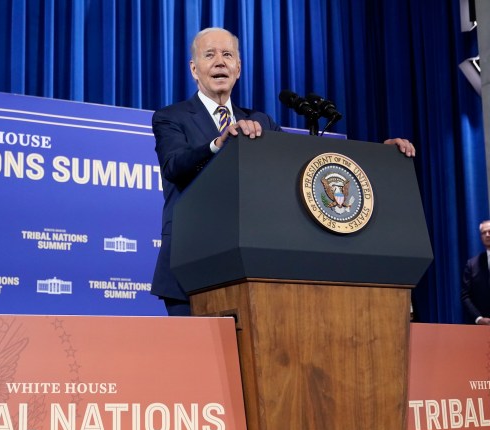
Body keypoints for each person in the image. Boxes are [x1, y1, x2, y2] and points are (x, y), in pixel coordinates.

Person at [150, 27, 416, 316]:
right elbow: (174, 165)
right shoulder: (170, 117)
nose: (220, 62)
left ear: (238, 68)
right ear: (194, 68)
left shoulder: (260, 120)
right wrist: (219, 141)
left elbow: (297, 165)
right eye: (210, 55)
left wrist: (379, 156)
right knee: (198, 360)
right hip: (191, 262)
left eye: (227, 55)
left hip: (251, 267)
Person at [461, 220, 490, 324]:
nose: (487, 235)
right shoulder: (472, 265)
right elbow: (465, 296)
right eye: (483, 233)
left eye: (489, 231)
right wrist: (479, 318)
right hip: (481, 328)